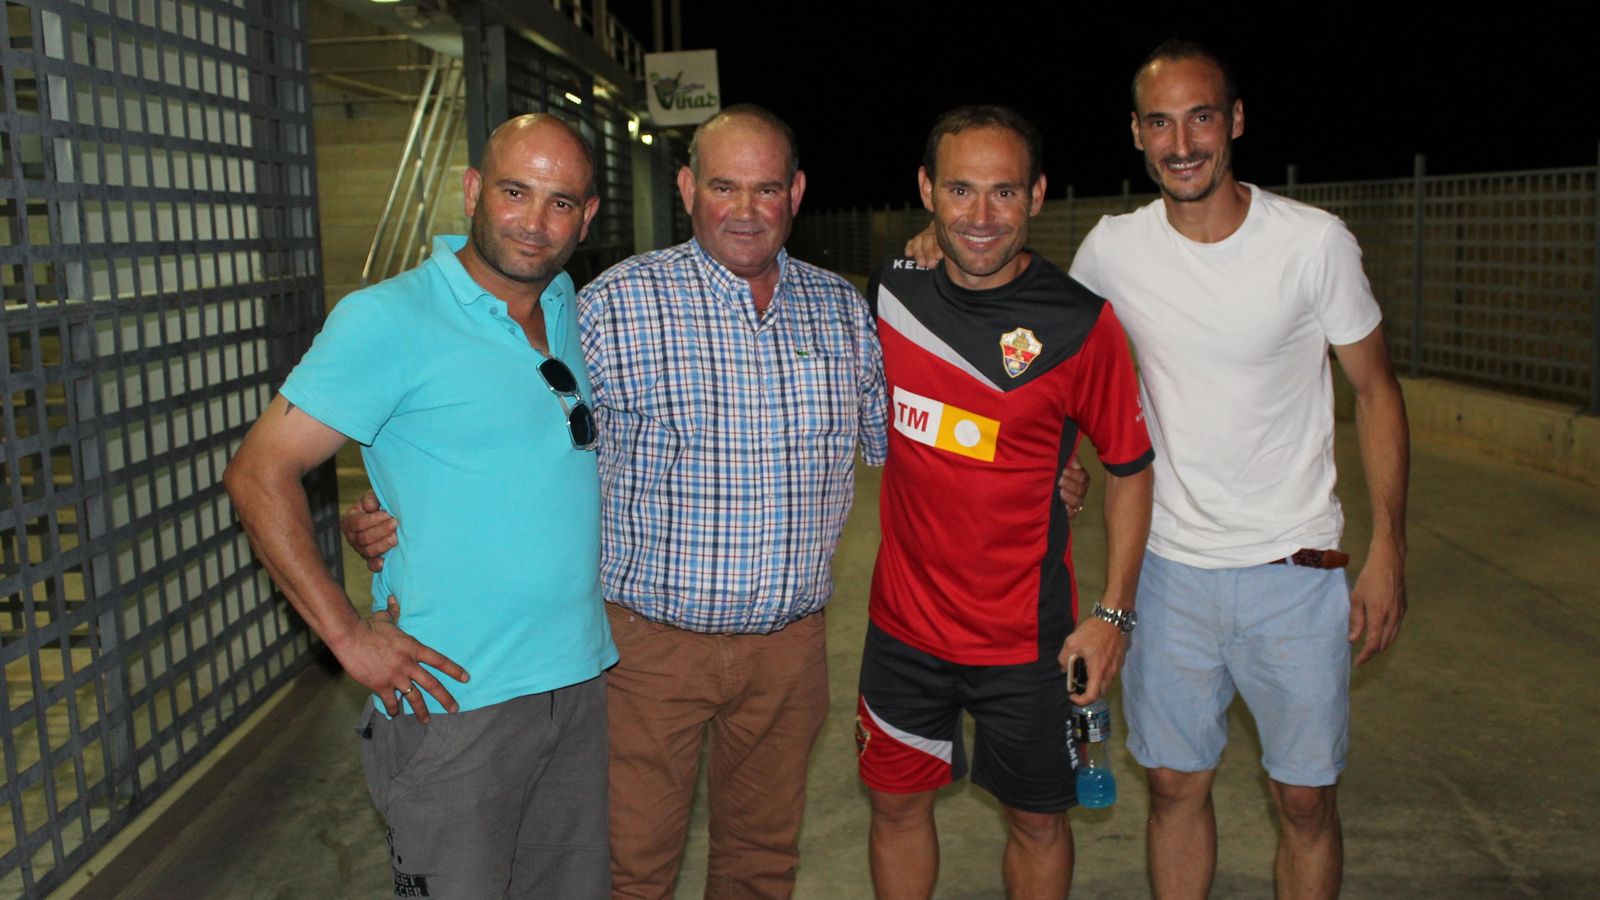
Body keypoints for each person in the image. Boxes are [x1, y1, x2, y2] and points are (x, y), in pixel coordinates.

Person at [343, 104, 888, 899]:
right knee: (630, 866)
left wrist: (1039, 466)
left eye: (766, 188)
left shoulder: (841, 311)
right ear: (686, 186)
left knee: (765, 860)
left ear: (797, 192)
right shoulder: (610, 307)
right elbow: (511, 434)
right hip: (647, 651)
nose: (744, 210)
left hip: (790, 650)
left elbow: (903, 444)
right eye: (723, 186)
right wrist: (393, 503)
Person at [914, 39, 1410, 900]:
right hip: (1167, 577)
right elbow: (1060, 351)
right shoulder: (1115, 248)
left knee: (1303, 798)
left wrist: (1389, 548)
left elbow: (1375, 392)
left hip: (1294, 570)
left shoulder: (1312, 244)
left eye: (1201, 117)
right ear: (1137, 135)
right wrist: (939, 242)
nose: (1182, 143)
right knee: (1177, 787)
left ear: (1236, 122)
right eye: (1160, 122)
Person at [224, 114, 616, 898]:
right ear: (473, 191)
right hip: (454, 701)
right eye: (515, 191)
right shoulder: (388, 319)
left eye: (561, 202)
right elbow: (258, 471)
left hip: (576, 688)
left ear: (589, 216)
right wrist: (344, 636)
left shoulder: (570, 306)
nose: (535, 223)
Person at [861, 106, 1154, 899]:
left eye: (1002, 192)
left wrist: (1115, 611)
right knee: (894, 809)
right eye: (959, 190)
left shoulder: (1081, 323)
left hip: (1028, 644)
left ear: (1036, 195)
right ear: (926, 189)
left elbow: (1129, 466)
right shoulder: (891, 294)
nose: (980, 216)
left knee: (1037, 824)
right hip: (903, 634)